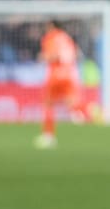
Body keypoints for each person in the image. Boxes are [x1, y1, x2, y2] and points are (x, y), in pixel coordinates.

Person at [35, 20, 95, 148]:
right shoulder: (67, 37)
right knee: (73, 104)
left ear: (51, 26)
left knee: (48, 104)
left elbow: (52, 55)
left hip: (56, 75)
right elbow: (77, 54)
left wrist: (43, 57)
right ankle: (90, 112)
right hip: (70, 74)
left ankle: (48, 136)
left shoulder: (50, 37)